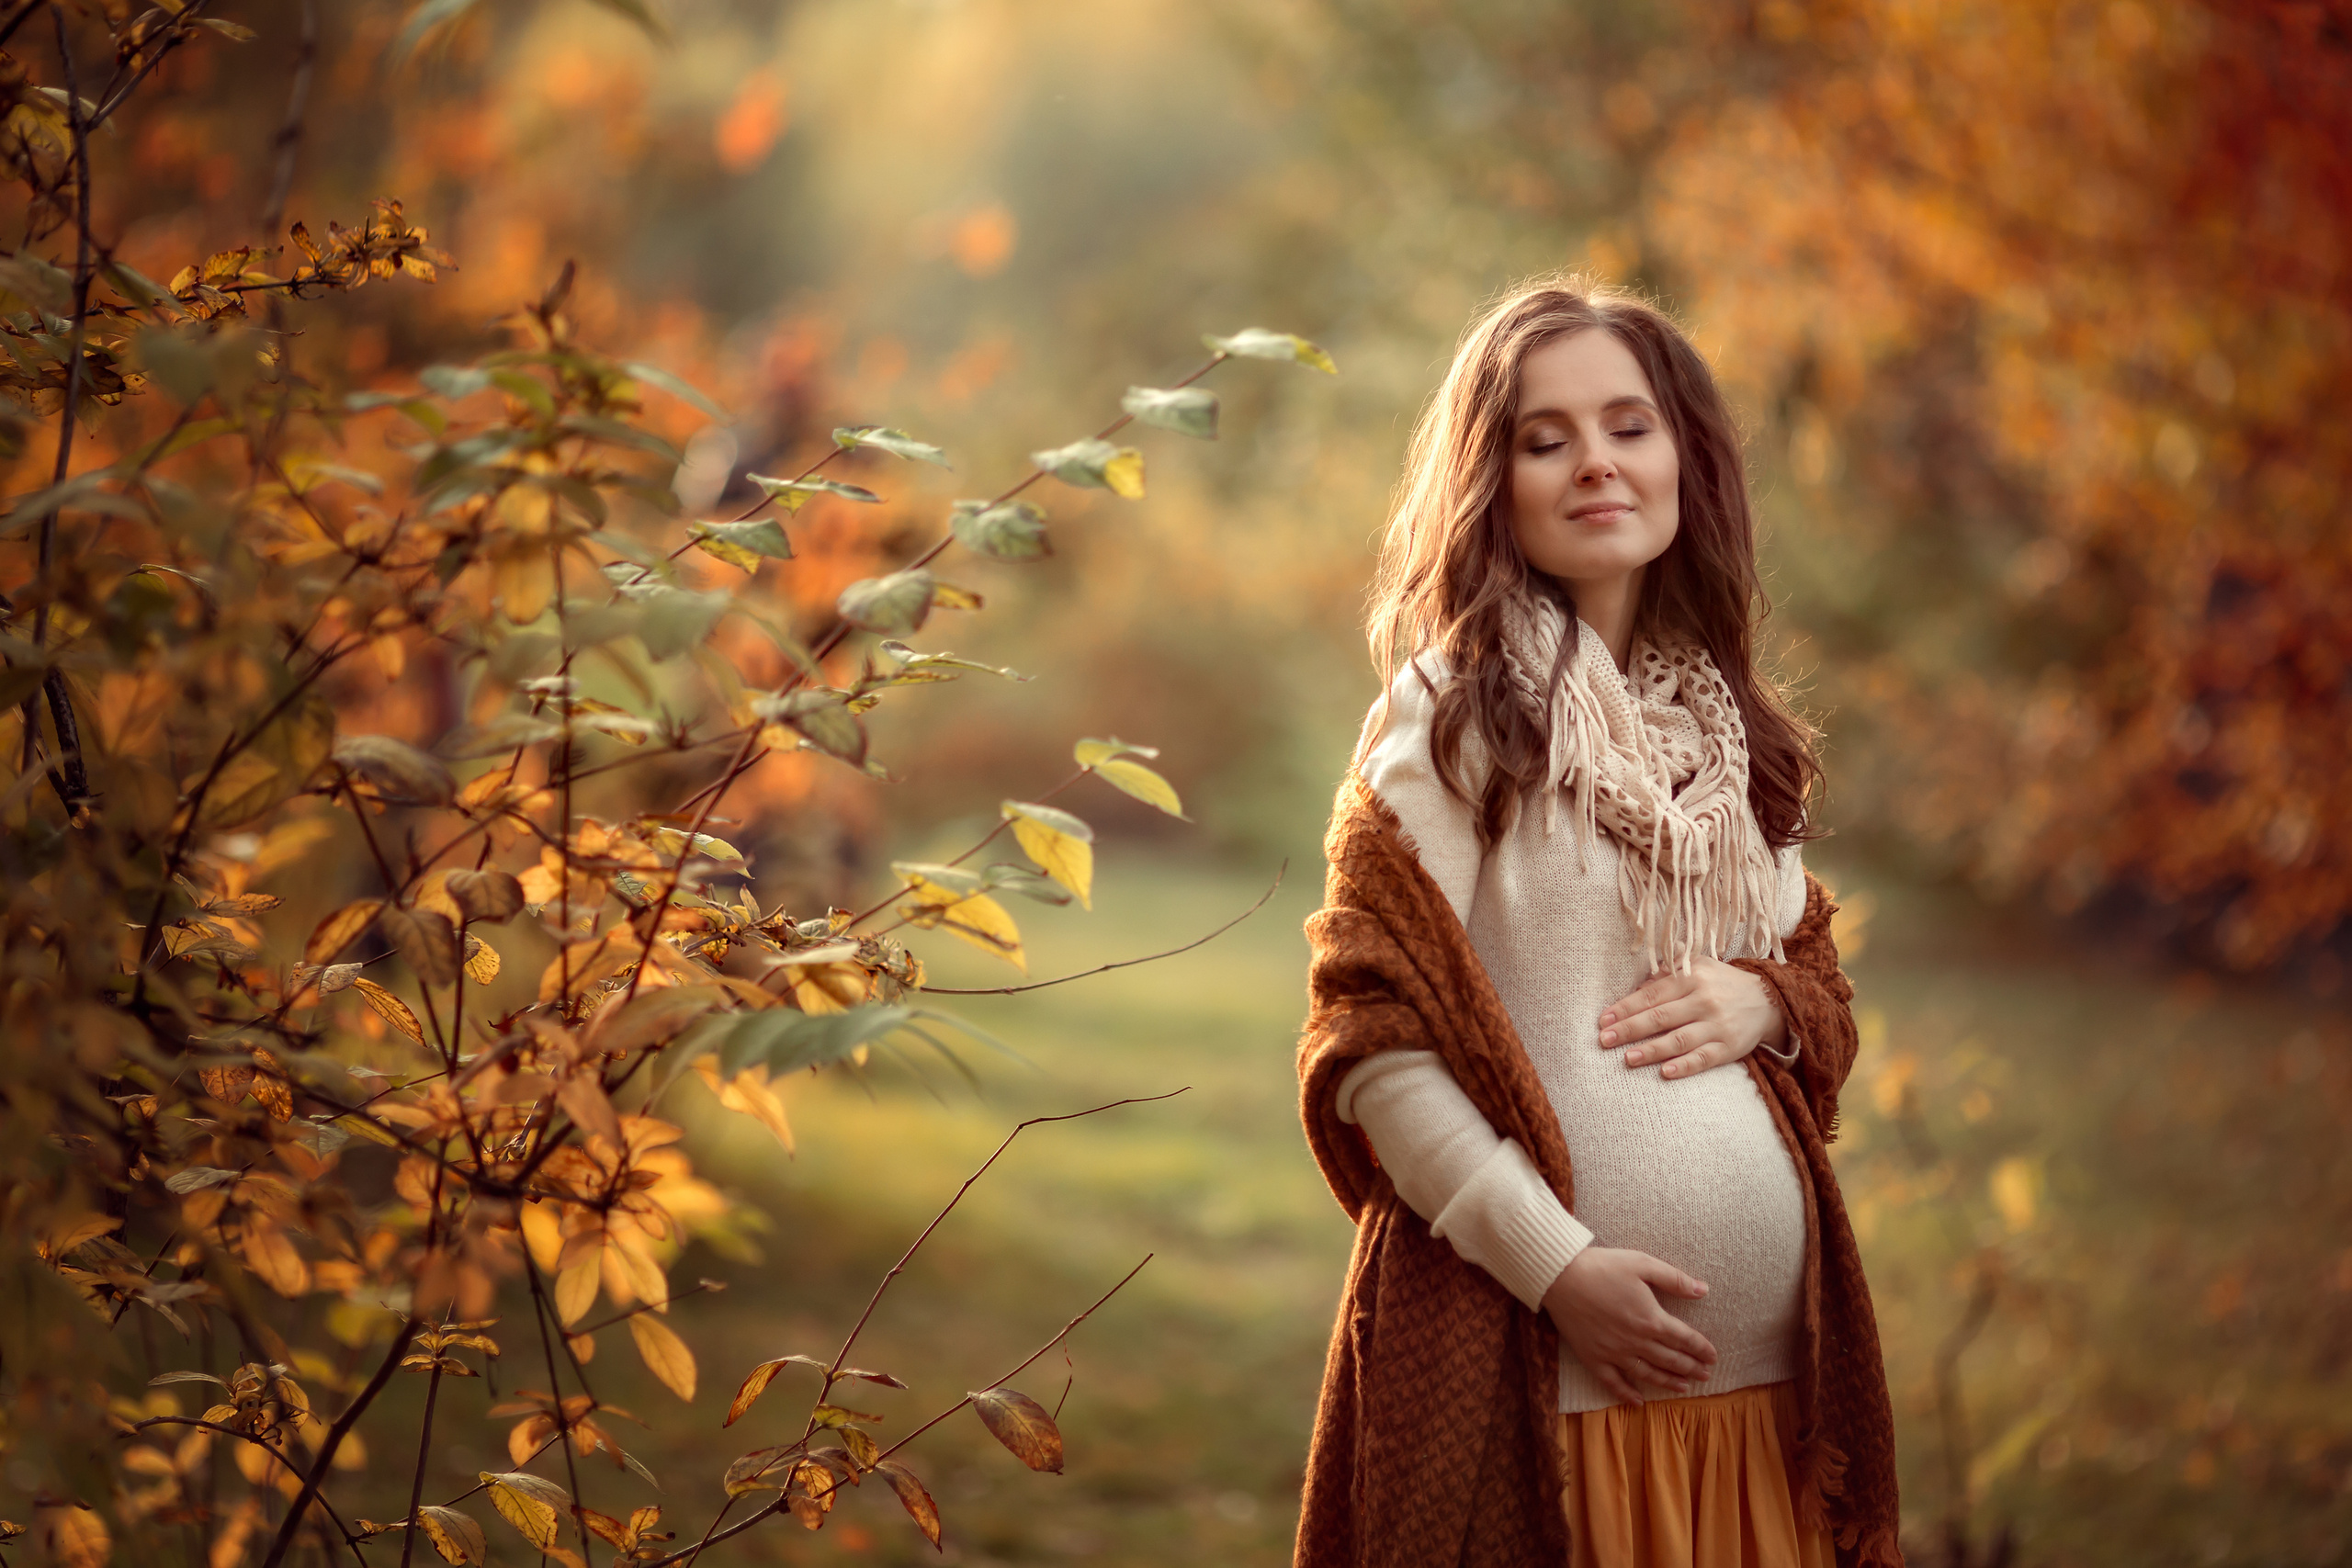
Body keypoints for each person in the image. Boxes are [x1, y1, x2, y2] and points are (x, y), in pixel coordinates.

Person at [1294, 276, 1903, 1568]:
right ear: (1492, 478)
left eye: (1628, 426)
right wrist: (1557, 1268)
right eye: (1543, 436)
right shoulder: (1451, 711)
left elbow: (1815, 990)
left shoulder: (1736, 736)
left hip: (1763, 1415)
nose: (1595, 465)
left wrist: (1766, 1003)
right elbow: (1371, 1043)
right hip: (1543, 1389)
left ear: (1685, 452)